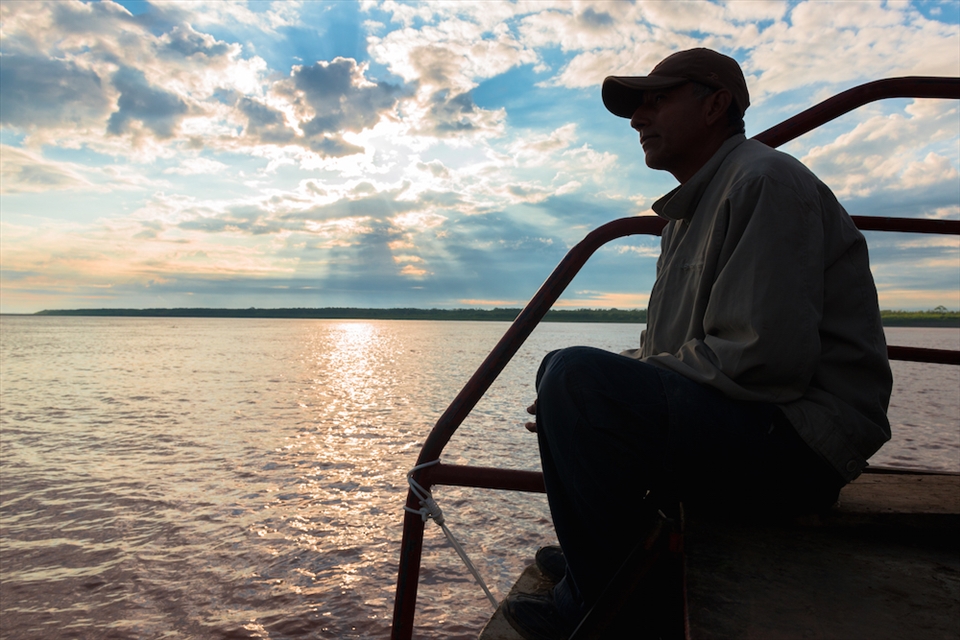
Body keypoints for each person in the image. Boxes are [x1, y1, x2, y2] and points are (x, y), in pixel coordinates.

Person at [502, 48, 893, 640]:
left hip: (800, 443)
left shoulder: (764, 182)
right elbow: (683, 350)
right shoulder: (690, 213)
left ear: (715, 106)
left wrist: (592, 393)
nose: (638, 118)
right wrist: (585, 392)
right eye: (638, 106)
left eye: (657, 100)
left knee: (577, 380)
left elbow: (764, 361)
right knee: (563, 372)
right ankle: (605, 566)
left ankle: (600, 607)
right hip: (758, 419)